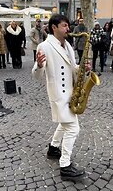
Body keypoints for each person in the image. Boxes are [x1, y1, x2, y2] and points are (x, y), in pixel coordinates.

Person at [31, 14, 91, 180]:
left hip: (71, 92)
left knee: (65, 124)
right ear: (54, 28)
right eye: (64, 26)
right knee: (73, 128)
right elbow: (36, 75)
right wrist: (40, 65)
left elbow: (72, 67)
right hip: (58, 94)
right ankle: (65, 166)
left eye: (67, 26)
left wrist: (82, 68)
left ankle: (53, 148)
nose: (68, 29)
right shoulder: (45, 46)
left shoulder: (68, 46)